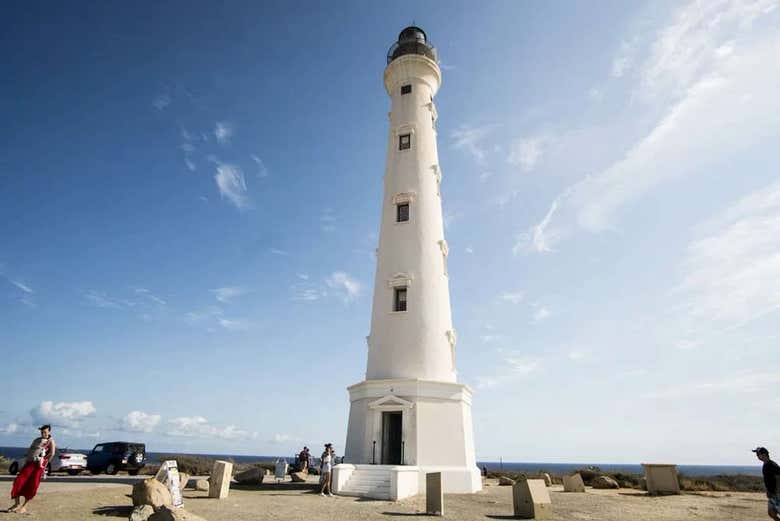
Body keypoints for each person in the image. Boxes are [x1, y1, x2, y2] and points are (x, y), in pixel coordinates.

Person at [8, 425, 56, 514]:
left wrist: (44, 461)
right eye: (42, 432)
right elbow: (30, 450)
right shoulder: (37, 440)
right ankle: (16, 504)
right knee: (18, 481)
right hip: (29, 462)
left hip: (39, 465)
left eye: (45, 432)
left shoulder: (51, 441)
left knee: (32, 485)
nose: (43, 433)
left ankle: (24, 506)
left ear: (49, 432)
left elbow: (52, 453)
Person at [754, 447, 780, 521]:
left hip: (777, 494)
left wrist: (777, 491)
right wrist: (768, 491)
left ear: (764, 454)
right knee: (771, 513)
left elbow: (778, 478)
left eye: (758, 454)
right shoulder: (766, 465)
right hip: (772, 493)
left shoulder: (771, 464)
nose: (757, 456)